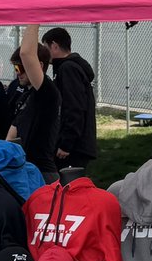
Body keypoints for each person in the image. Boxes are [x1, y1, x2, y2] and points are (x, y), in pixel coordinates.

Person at [5, 24, 61, 183]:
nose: (18, 73)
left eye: (21, 67)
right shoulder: (25, 95)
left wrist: (33, 18)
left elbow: (26, 53)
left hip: (42, 174)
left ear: (39, 65)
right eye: (15, 67)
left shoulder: (48, 93)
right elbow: (12, 133)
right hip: (24, 170)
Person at [42, 27, 97, 172]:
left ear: (54, 45)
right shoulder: (66, 68)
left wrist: (67, 143)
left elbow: (74, 107)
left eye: (45, 47)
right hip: (74, 143)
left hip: (74, 147)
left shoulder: (68, 69)